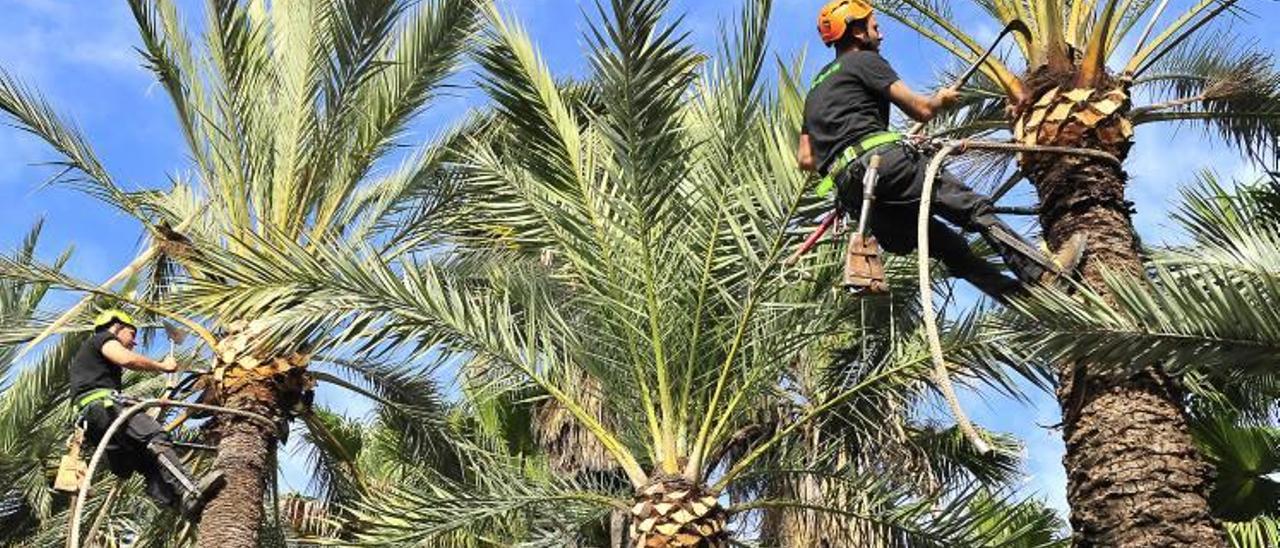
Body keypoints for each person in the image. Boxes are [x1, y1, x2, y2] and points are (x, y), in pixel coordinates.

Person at [797, 0, 1085, 300]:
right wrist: (942, 100)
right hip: (885, 167)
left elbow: (805, 159)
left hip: (856, 194)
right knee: (972, 209)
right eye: (874, 27)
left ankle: (1025, 301)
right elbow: (920, 109)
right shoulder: (865, 61)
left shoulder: (815, 90)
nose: (880, 35)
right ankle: (1043, 273)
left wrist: (852, 150)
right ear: (857, 33)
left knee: (951, 250)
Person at [70, 309, 224, 520]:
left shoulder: (93, 364)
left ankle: (182, 505)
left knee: (148, 460)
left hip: (93, 421)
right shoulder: (103, 338)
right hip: (102, 406)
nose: (134, 343)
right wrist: (162, 366)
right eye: (132, 334)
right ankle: (190, 489)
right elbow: (127, 359)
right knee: (154, 436)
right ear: (117, 326)